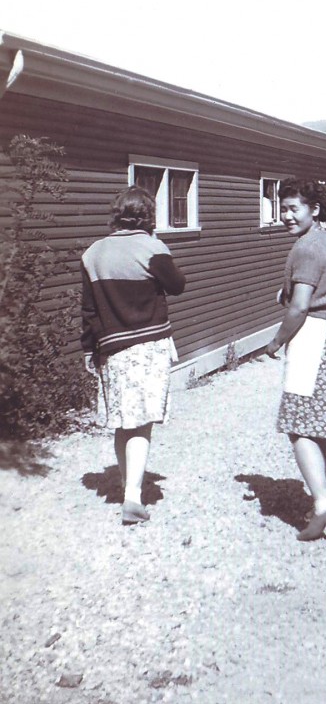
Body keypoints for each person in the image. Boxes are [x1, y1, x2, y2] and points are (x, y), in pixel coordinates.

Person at [81, 186, 186, 525]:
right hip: (148, 345)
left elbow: (88, 309)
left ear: (116, 215)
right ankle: (133, 499)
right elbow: (177, 285)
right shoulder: (152, 248)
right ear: (148, 217)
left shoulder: (93, 253)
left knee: (123, 422)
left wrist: (87, 348)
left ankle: (129, 487)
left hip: (111, 346)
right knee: (141, 422)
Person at [265, 178, 326, 541]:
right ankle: (324, 498)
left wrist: (275, 341)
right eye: (282, 208)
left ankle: (322, 503)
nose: (285, 215)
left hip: (312, 339)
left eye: (293, 208)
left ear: (313, 209)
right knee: (323, 426)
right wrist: (288, 290)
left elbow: (301, 305)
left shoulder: (305, 249)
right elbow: (325, 281)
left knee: (297, 425)